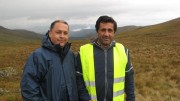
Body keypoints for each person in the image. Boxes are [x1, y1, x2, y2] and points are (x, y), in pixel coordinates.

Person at [76, 15, 135, 101]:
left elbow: (129, 80)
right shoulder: (83, 52)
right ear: (97, 31)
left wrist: (131, 99)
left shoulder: (123, 51)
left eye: (110, 30)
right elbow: (78, 78)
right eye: (103, 30)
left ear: (114, 32)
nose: (106, 34)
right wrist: (85, 98)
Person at [21, 20, 78, 101]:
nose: (62, 36)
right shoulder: (38, 56)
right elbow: (28, 88)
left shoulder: (71, 55)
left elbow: (77, 79)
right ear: (50, 33)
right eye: (58, 32)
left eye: (65, 33)